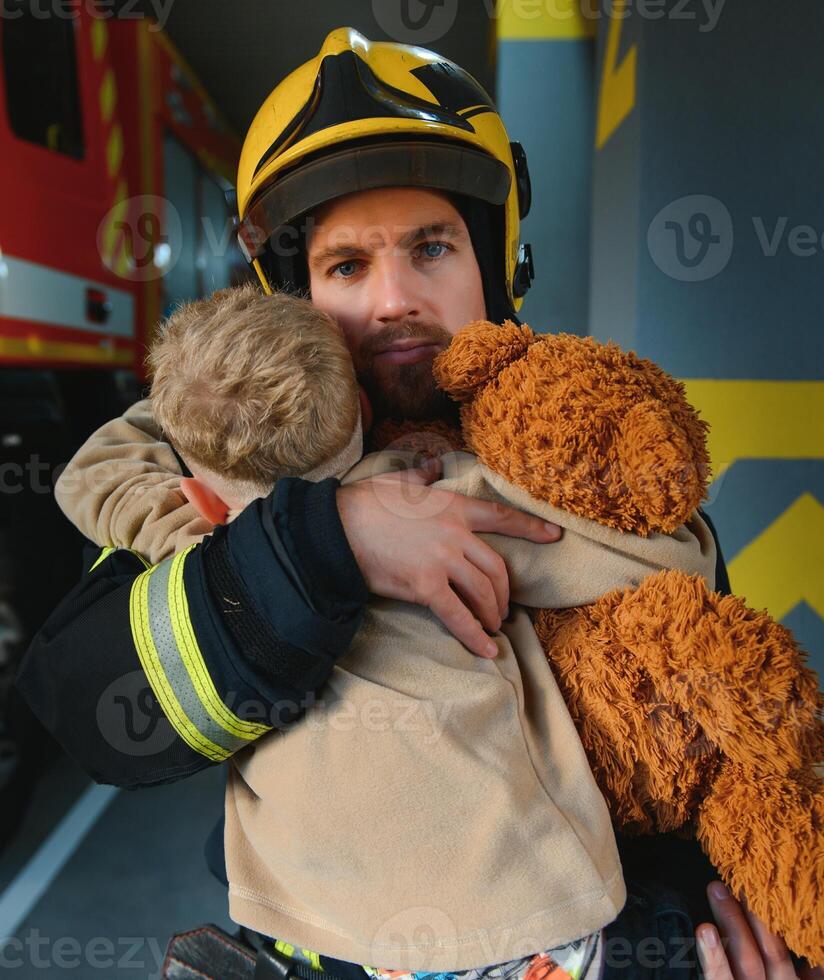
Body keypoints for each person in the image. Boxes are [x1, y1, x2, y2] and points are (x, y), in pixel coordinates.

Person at [15, 27, 820, 979]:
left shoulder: (587, 446)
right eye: (347, 266)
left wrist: (719, 936)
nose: (393, 299)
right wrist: (329, 542)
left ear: (495, 261)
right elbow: (90, 704)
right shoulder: (234, 453)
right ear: (295, 296)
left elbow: (706, 742)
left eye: (431, 248)